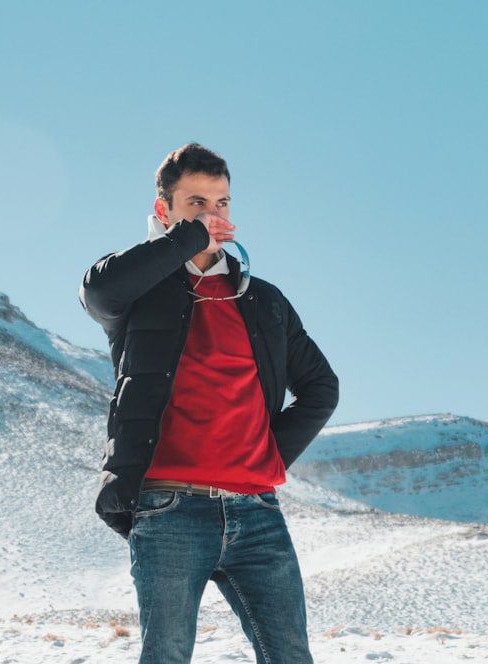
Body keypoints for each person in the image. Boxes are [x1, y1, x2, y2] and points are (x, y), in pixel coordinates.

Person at [79, 142, 338, 663]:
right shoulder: (136, 291)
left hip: (258, 512)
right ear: (164, 210)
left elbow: (321, 389)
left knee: (291, 656)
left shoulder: (261, 298)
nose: (212, 215)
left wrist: (268, 456)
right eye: (196, 202)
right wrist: (188, 239)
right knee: (167, 656)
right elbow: (98, 291)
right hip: (169, 509)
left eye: (221, 203)